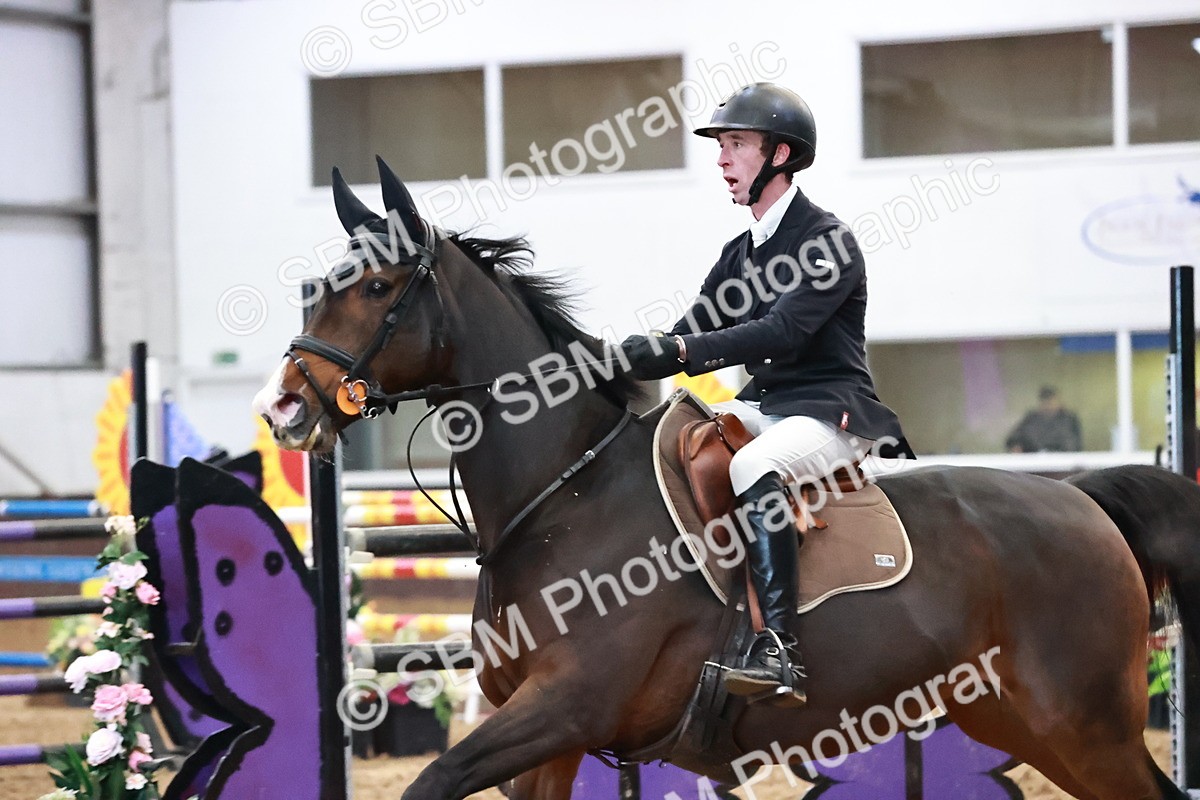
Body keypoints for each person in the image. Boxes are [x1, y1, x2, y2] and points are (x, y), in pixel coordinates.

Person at [620, 83, 913, 707]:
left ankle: (779, 649)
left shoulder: (826, 239)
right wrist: (623, 356)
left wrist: (679, 353)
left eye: (737, 145)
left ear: (779, 155)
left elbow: (784, 329)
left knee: (754, 462)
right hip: (769, 405)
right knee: (678, 433)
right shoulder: (740, 252)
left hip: (829, 412)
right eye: (722, 145)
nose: (722, 159)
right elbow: (695, 327)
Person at [1004, 386, 1082, 453]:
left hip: (1063, 462)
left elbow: (1075, 444)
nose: (1048, 406)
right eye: (1045, 402)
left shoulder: (1069, 420)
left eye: (1051, 402)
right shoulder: (1031, 419)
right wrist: (1016, 445)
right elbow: (1014, 438)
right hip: (1034, 463)